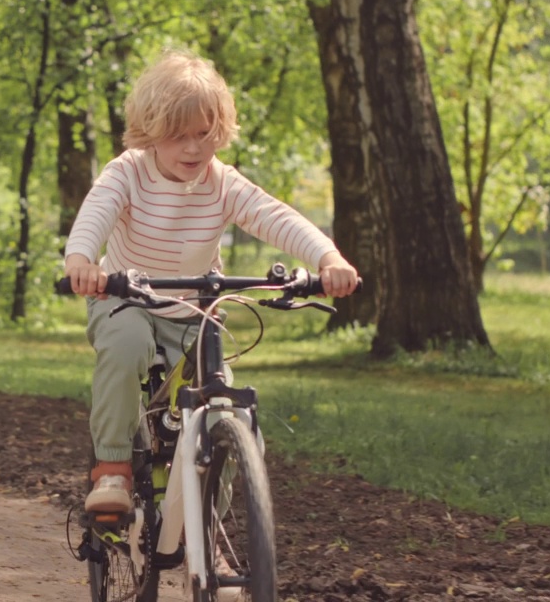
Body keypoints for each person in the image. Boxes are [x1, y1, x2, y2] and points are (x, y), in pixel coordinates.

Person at [63, 50, 357, 515]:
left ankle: (210, 545)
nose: (194, 149)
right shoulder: (128, 172)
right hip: (125, 301)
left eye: (204, 135)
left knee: (223, 413)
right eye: (178, 137)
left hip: (196, 313)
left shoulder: (222, 182)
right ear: (150, 131)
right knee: (124, 347)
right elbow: (96, 213)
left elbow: (274, 217)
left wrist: (328, 257)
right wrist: (81, 260)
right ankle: (113, 470)